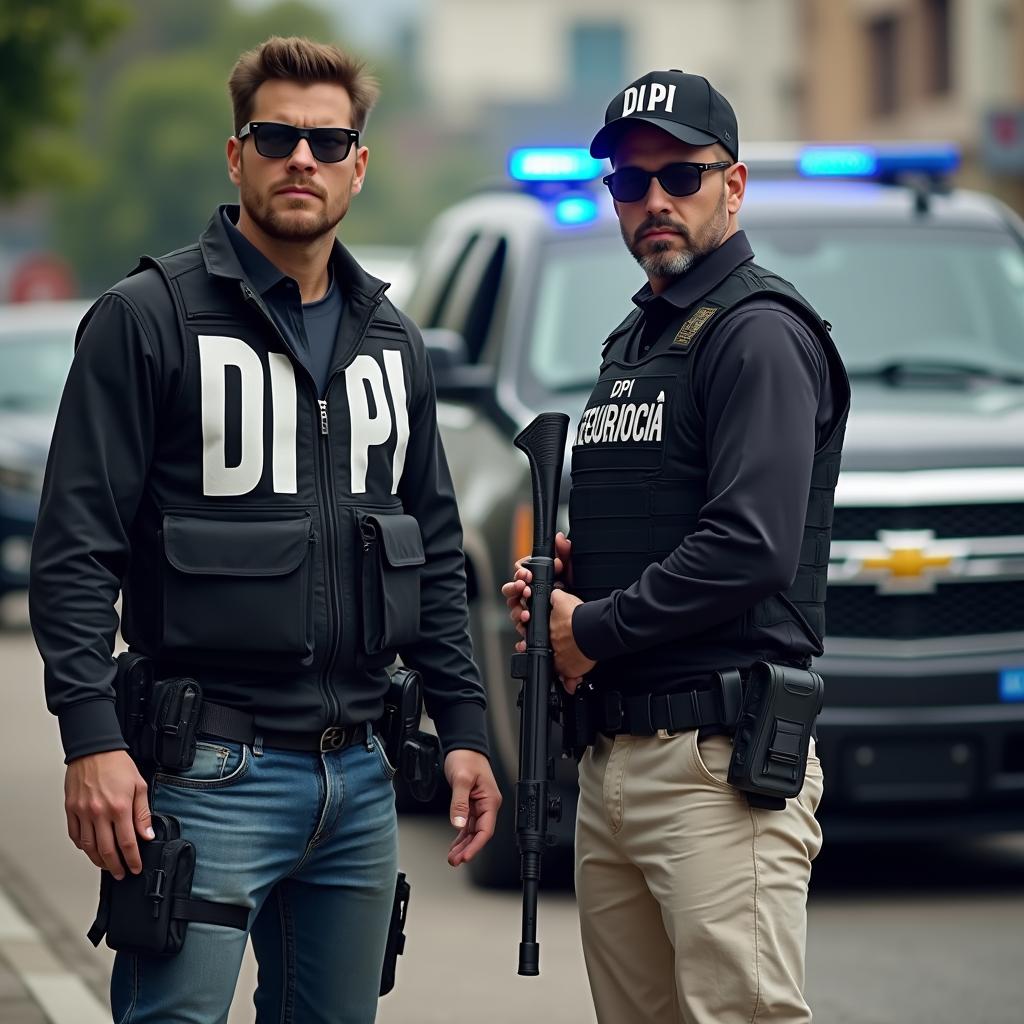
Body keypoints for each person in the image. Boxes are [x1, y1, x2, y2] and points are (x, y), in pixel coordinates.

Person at [30, 35, 499, 1024]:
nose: (302, 160)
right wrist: (90, 737)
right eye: (276, 136)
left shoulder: (392, 341)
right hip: (207, 773)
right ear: (236, 153)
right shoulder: (145, 318)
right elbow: (77, 548)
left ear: (359, 166)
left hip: (362, 781)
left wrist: (463, 730)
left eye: (328, 143)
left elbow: (436, 549)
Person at [503, 70, 850, 1023]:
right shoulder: (637, 340)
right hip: (617, 757)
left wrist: (593, 629)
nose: (653, 200)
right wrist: (577, 574)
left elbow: (751, 545)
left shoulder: (757, 334)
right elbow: (668, 515)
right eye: (628, 181)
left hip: (714, 764)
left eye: (681, 176)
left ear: (732, 186)